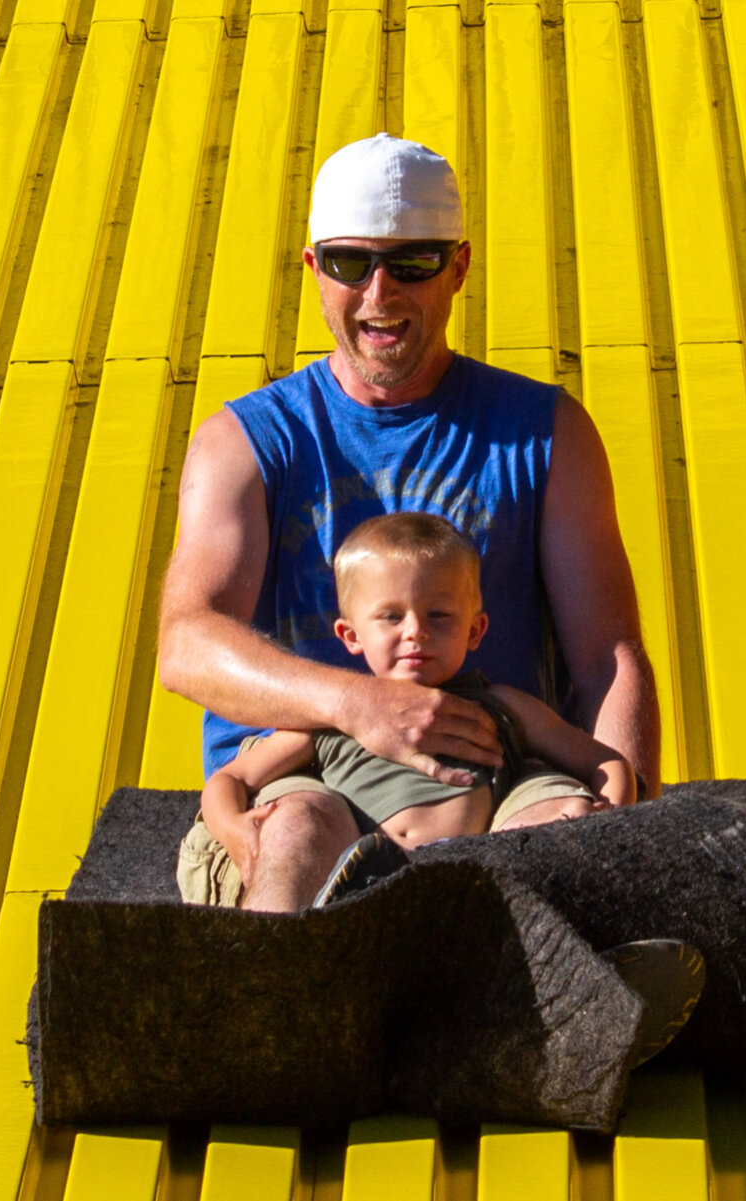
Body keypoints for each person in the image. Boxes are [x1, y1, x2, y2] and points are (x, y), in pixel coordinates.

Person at [158, 133, 657, 912]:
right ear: (313, 269)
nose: (380, 293)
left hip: (501, 780)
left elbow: (608, 657)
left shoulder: (547, 432)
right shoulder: (245, 442)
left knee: (560, 838)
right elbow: (187, 642)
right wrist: (356, 705)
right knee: (294, 836)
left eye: (412, 263)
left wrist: (626, 842)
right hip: (308, 784)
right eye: (351, 263)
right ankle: (268, 1009)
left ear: (458, 267)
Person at [182, 513, 634, 908]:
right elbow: (232, 780)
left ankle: (590, 949)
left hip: (475, 877)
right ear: (350, 636)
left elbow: (604, 761)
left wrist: (609, 818)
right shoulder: (330, 722)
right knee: (287, 830)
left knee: (566, 812)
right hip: (353, 878)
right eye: (392, 617)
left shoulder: (502, 707)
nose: (415, 632)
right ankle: (274, 964)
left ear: (475, 630)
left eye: (439, 616)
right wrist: (236, 830)